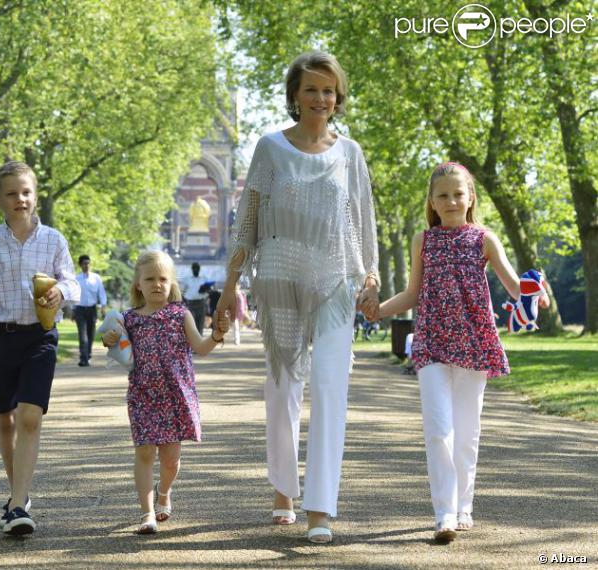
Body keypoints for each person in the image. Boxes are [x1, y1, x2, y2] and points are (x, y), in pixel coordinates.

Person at [216, 51, 379, 544]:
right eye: (311, 89)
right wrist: (230, 287)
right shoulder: (269, 148)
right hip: (279, 281)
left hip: (334, 280)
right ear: (294, 96)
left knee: (331, 390)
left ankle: (320, 508)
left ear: (338, 97)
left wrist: (369, 274)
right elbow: (247, 222)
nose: (321, 98)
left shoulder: (348, 152)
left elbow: (363, 217)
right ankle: (284, 488)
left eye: (329, 90)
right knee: (283, 392)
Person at [371, 162, 549, 544]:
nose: (451, 201)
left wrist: (535, 295)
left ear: (470, 198)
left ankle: (464, 505)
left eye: (457, 193)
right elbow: (411, 293)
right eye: (442, 196)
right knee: (438, 429)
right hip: (432, 341)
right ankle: (444, 514)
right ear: (432, 203)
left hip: (474, 341)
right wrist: (377, 309)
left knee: (467, 433)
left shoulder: (485, 238)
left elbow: (514, 285)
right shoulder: (423, 241)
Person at [0, 161, 80, 535]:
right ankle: (16, 493)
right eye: (11, 194)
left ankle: (18, 504)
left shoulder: (53, 240)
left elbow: (73, 282)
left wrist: (61, 291)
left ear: (34, 196)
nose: (20, 199)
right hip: (1, 336)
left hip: (40, 336)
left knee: (30, 417)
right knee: (5, 419)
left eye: (26, 192)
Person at [102, 251, 230, 534]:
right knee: (145, 452)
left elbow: (201, 348)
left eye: (163, 279)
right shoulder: (128, 319)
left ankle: (164, 491)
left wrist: (217, 335)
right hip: (143, 395)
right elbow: (116, 345)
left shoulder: (180, 315)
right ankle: (147, 513)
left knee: (170, 460)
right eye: (150, 279)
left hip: (175, 396)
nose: (157, 284)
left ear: (172, 283)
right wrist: (108, 338)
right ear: (138, 284)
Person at [74, 254, 107, 367]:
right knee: (83, 335)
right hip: (80, 310)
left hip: (92, 309)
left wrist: (103, 306)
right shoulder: (76, 279)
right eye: (84, 263)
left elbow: (101, 292)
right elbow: (73, 296)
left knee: (90, 334)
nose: (86, 265)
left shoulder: (96, 278)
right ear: (80, 265)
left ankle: (88, 355)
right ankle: (83, 358)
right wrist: (72, 310)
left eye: (88, 263)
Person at [181, 262, 207, 334]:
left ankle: (200, 343)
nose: (196, 270)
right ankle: (193, 343)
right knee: (192, 325)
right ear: (192, 269)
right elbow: (182, 291)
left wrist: (205, 290)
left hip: (201, 303)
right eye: (194, 268)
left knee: (200, 325)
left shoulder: (204, 279)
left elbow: (208, 291)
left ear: (199, 269)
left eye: (197, 268)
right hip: (191, 304)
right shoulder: (187, 279)